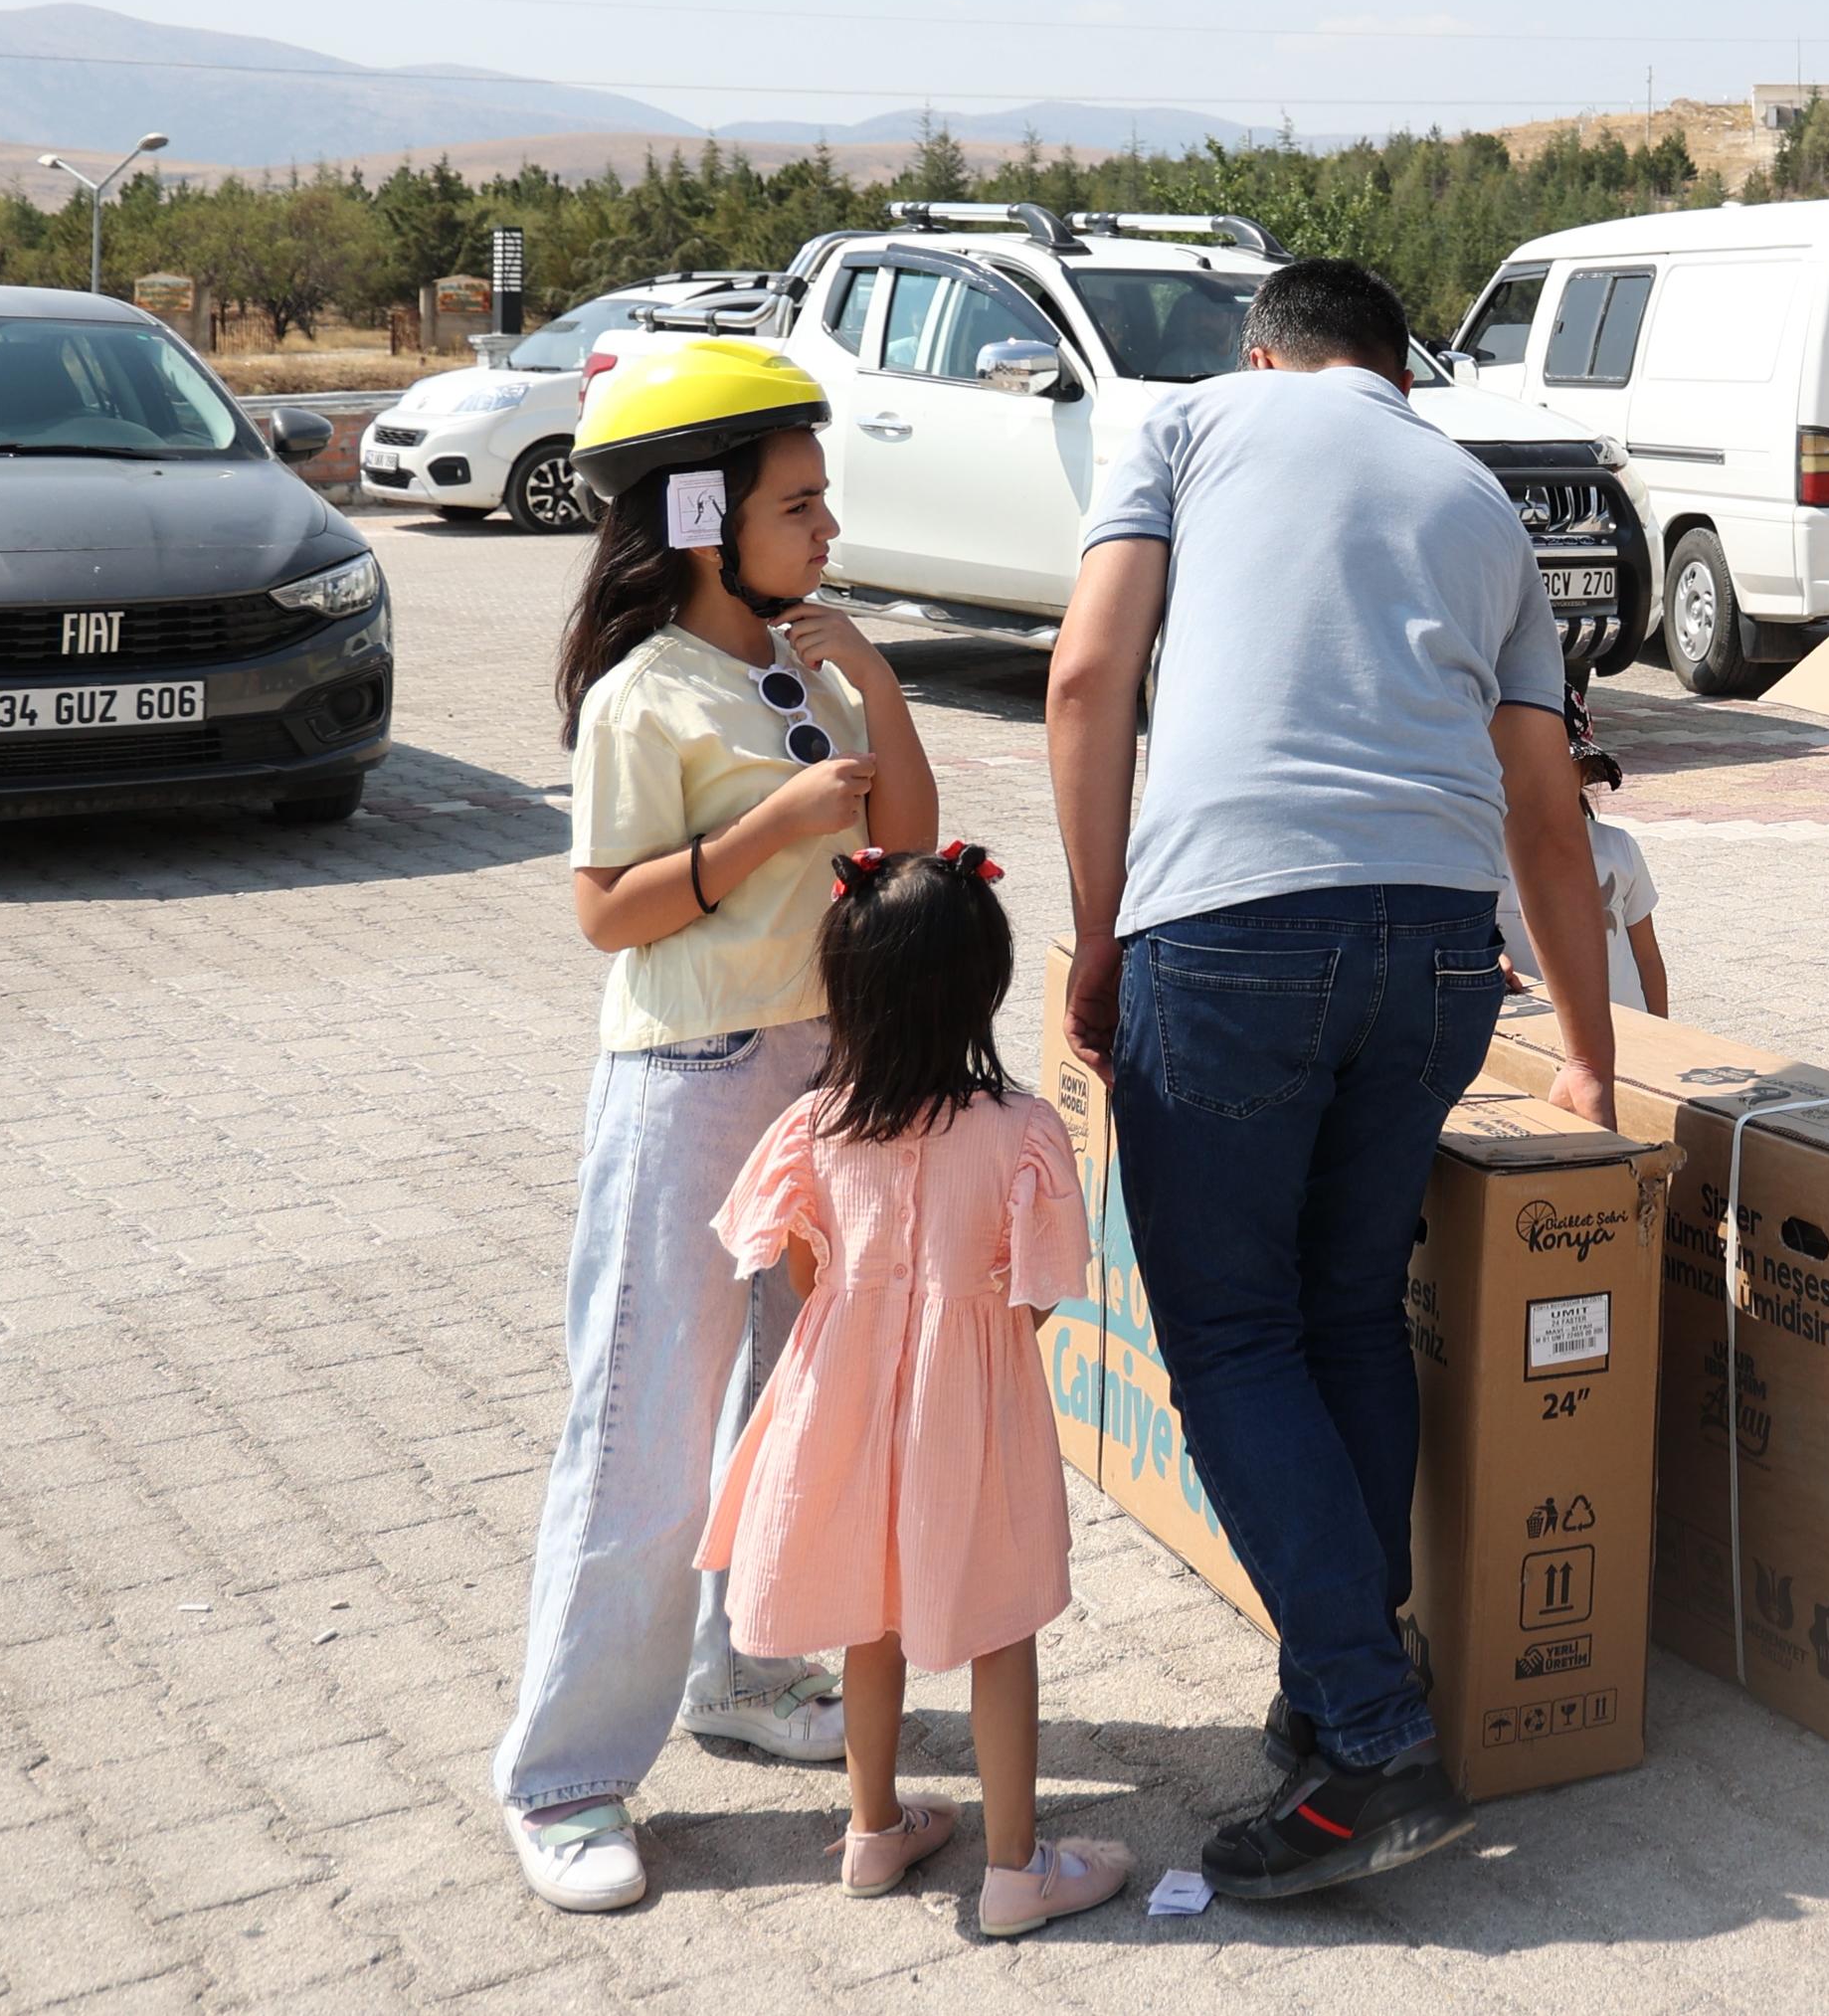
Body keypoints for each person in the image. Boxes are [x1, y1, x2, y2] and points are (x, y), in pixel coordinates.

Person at [1044, 257, 1619, 1901]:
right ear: (1400, 373)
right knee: (1348, 1306)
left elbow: (1088, 678)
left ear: (1264, 349)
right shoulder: (1479, 500)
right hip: (1440, 947)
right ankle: (1335, 1697)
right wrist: (1583, 1042)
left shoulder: (1183, 419)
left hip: (1230, 925)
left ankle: (1370, 1733)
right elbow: (1546, 807)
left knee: (1231, 1333)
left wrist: (1101, 928)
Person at [494, 338, 939, 1915]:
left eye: (824, 500)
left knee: (781, 1409)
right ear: (702, 510)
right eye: (798, 502)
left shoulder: (794, 665)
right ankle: (563, 1777)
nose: (826, 528)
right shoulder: (640, 697)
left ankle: (746, 1677)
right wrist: (770, 827)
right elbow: (606, 915)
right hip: (691, 1080)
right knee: (642, 1438)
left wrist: (869, 675)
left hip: (818, 1076)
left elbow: (912, 839)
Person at [703, 842, 1131, 1935]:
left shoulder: (812, 1127)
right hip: (971, 1405)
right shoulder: (1024, 1132)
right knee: (999, 1620)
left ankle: (871, 1831)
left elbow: (800, 1275)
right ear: (981, 988)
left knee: (869, 1610)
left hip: (839, 1402)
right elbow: (1034, 1296)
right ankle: (1013, 1870)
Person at [1501, 693, 1671, 1012]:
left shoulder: (1618, 848)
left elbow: (1646, 957)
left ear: (1585, 772)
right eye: (1527, 762)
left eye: (1558, 765)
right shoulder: (1482, 858)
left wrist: (1663, 1034)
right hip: (1535, 1038)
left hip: (1628, 1033)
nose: (1543, 780)